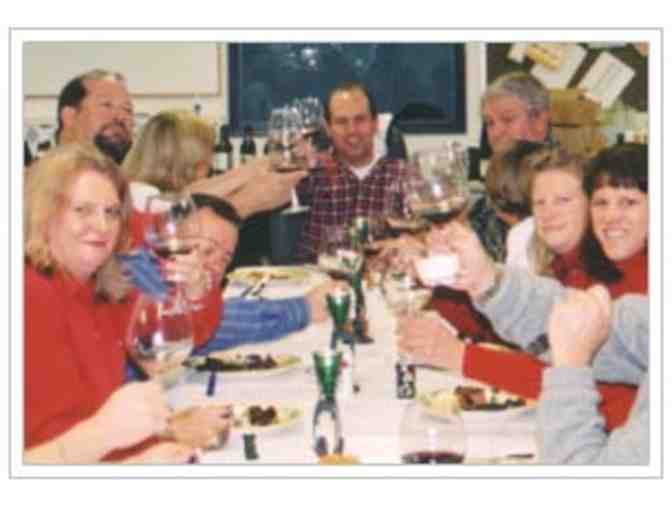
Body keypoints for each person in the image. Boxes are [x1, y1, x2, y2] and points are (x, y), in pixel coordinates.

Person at [400, 143, 648, 432]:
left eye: (628, 202)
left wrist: (460, 356)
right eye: (602, 203)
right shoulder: (574, 267)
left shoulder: (632, 282)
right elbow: (511, 332)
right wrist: (449, 280)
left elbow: (570, 376)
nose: (611, 216)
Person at [24, 143, 224, 462]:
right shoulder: (27, 296)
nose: (102, 226)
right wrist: (138, 456)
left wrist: (197, 291)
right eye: (83, 210)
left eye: (112, 212)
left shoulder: (102, 289)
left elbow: (178, 336)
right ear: (44, 214)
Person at [54, 69, 307, 225]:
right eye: (106, 105)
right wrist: (248, 202)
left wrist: (262, 165)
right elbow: (162, 229)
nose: (121, 117)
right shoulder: (53, 181)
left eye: (128, 110)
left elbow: (180, 201)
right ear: (69, 116)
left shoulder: (119, 181)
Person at [123, 192, 335, 357]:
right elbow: (215, 326)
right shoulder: (136, 267)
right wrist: (302, 309)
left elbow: (208, 319)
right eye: (207, 250)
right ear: (170, 235)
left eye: (225, 259)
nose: (214, 266)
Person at [295, 80, 407, 261]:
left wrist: (410, 242)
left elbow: (430, 231)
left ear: (375, 124)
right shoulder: (311, 173)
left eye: (360, 120)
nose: (352, 131)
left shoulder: (402, 175)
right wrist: (291, 162)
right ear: (328, 128)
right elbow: (267, 198)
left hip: (382, 274)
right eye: (341, 122)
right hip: (316, 274)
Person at [469, 72, 552, 262]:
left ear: (539, 121)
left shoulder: (559, 178)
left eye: (508, 120)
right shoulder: (501, 175)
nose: (496, 132)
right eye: (490, 123)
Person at [122, 109, 215, 210]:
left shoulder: (134, 189)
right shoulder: (143, 194)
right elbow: (183, 209)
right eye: (208, 151)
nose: (211, 162)